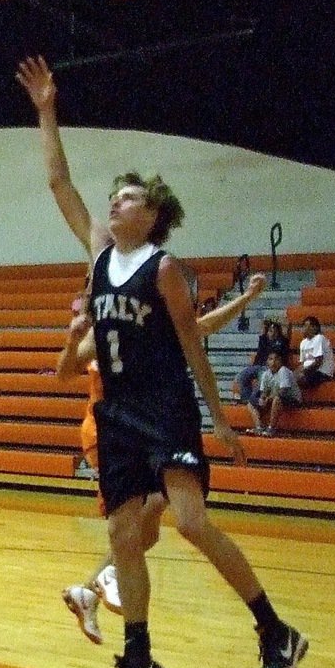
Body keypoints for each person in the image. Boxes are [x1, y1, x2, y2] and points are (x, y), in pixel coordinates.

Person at [17, 55, 308, 668]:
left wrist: (221, 419)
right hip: (115, 411)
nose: (116, 202)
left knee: (190, 522)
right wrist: (46, 109)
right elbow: (59, 182)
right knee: (123, 535)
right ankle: (140, 661)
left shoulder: (165, 268)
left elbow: (190, 343)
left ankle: (276, 634)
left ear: (152, 218)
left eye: (130, 198)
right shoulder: (96, 255)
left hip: (166, 405)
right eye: (115, 197)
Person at [59, 273, 269, 643]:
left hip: (136, 431)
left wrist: (246, 298)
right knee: (151, 512)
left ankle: (90, 591)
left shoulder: (141, 320)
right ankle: (100, 589)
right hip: (109, 431)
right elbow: (69, 368)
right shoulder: (106, 328)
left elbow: (201, 326)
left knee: (149, 530)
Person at [233, 319, 290, 405]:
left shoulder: (282, 342)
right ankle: (246, 399)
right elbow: (264, 323)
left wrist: (278, 322)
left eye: (275, 331)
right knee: (241, 377)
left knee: (261, 380)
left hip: (269, 369)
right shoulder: (264, 340)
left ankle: (254, 401)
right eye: (270, 331)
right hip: (257, 366)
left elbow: (288, 325)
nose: (273, 333)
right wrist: (271, 320)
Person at [248, 350, 301, 435]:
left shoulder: (284, 371)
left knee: (277, 399)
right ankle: (259, 427)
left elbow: (283, 391)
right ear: (267, 361)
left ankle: (271, 428)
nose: (273, 362)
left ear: (280, 361)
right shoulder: (266, 374)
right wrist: (262, 399)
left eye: (276, 359)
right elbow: (264, 391)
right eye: (271, 359)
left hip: (292, 399)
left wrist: (268, 399)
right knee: (251, 403)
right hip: (274, 398)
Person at [297, 315, 335, 390]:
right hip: (309, 371)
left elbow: (318, 362)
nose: (305, 329)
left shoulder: (319, 338)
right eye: (304, 326)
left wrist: (303, 372)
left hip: (322, 372)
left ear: (315, 328)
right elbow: (302, 363)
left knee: (300, 380)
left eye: (308, 326)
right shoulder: (303, 343)